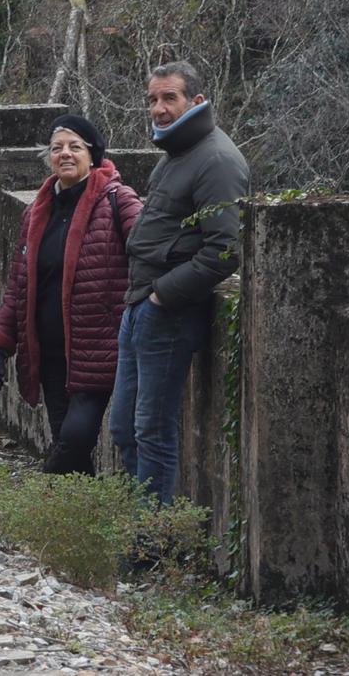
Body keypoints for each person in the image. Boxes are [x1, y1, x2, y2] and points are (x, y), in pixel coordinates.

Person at [112, 62, 248, 505]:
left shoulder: (217, 159)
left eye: (170, 98)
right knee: (124, 427)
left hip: (166, 313)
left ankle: (150, 543)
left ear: (197, 101)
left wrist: (160, 296)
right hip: (141, 306)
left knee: (152, 430)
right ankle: (137, 530)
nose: (159, 109)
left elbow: (226, 249)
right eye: (152, 99)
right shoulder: (179, 153)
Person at [0, 115, 140, 475]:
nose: (65, 154)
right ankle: (83, 520)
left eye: (75, 147)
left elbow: (149, 246)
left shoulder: (117, 199)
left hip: (97, 349)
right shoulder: (38, 211)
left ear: (93, 154)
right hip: (50, 352)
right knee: (71, 451)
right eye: (57, 148)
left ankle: (44, 504)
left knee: (71, 441)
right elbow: (19, 285)